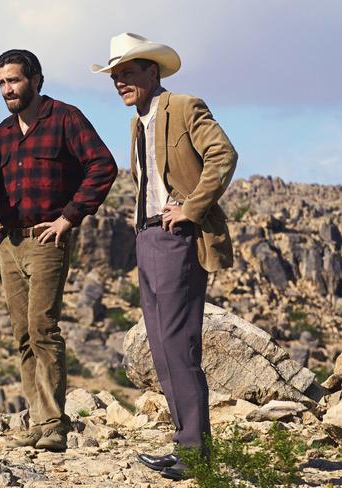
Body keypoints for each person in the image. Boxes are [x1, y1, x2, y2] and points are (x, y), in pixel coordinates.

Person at [92, 33, 237, 479]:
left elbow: (223, 155)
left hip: (180, 237)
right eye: (115, 77)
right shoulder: (138, 122)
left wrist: (190, 208)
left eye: (128, 73)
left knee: (178, 346)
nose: (120, 83)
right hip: (147, 237)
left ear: (152, 71)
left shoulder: (185, 106)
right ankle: (185, 447)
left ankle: (194, 453)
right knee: (161, 348)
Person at [0, 49, 118, 451]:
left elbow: (102, 166)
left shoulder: (64, 117)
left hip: (46, 240)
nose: (8, 89)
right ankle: (38, 422)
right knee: (22, 333)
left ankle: (55, 424)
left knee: (43, 327)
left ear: (36, 80)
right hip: (11, 243)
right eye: (2, 83)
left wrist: (69, 218)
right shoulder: (3, 132)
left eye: (15, 80)